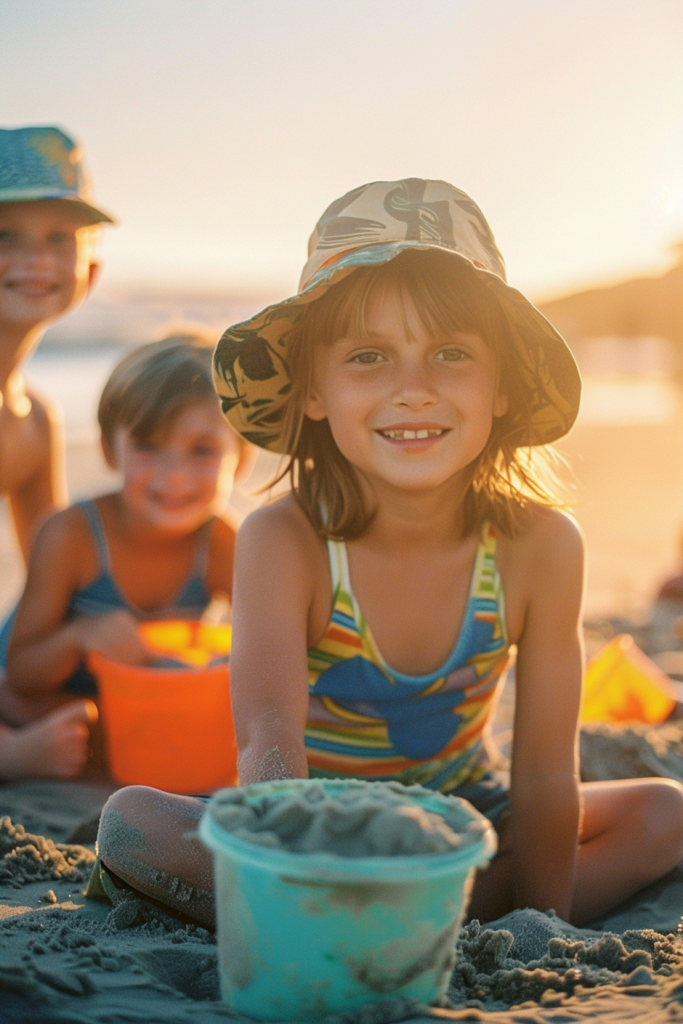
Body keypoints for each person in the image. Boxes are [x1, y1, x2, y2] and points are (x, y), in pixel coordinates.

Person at [96, 178, 683, 929]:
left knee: (661, 814)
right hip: (314, 824)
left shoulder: (540, 546)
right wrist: (295, 855)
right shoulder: (286, 540)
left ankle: (391, 916)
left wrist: (540, 923)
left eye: (449, 353)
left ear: (501, 382)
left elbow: (540, 772)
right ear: (313, 389)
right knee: (131, 823)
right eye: (370, 356)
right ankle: (404, 912)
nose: (413, 389)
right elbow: (268, 740)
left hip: (462, 815)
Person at [2, 333, 251, 776]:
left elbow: (264, 647)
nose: (174, 476)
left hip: (114, 706)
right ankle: (18, 755)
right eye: (148, 446)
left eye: (203, 450)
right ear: (107, 450)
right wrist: (80, 635)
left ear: (242, 458)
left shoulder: (224, 543)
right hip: (30, 691)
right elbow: (22, 670)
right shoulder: (72, 534)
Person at [0, 125, 114, 779]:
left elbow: (58, 578)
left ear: (89, 272)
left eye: (57, 239)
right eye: (5, 235)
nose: (35, 260)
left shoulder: (36, 420)